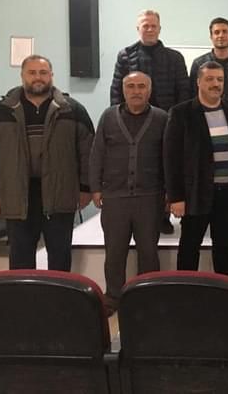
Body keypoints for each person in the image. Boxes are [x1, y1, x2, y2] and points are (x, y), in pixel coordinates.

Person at [0, 55, 94, 271]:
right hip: (17, 196)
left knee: (60, 257)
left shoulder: (73, 111)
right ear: (22, 76)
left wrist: (86, 188)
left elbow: (88, 154)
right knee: (20, 259)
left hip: (60, 195)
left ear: (51, 75)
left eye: (43, 72)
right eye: (32, 73)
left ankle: (58, 294)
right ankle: (24, 295)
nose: (38, 77)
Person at [89, 72, 166, 314]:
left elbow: (168, 158)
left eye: (141, 86)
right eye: (131, 86)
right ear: (123, 90)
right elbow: (97, 153)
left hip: (150, 197)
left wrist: (169, 193)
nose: (136, 91)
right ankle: (113, 296)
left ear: (149, 90)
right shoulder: (108, 117)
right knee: (114, 252)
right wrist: (95, 187)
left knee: (148, 251)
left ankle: (147, 296)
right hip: (115, 197)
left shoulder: (161, 118)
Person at [164, 61, 228, 276]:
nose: (215, 84)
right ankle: (187, 291)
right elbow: (171, 158)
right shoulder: (181, 112)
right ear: (198, 82)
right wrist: (176, 197)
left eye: (220, 79)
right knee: (189, 247)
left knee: (224, 249)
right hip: (196, 193)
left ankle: (226, 292)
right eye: (210, 79)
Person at [110, 9, 190, 235]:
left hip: (167, 123)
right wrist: (118, 119)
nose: (150, 29)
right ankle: (140, 216)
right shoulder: (125, 56)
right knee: (141, 168)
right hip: (134, 124)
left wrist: (178, 122)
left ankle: (164, 216)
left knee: (167, 169)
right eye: (145, 25)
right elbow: (117, 90)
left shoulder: (174, 58)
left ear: (159, 29)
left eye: (154, 25)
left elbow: (184, 91)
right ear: (138, 29)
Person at [189, 17, 228, 229]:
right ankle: (204, 211)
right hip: (202, 124)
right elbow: (191, 93)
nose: (221, 35)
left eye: (224, 31)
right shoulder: (199, 63)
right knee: (205, 166)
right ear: (211, 36)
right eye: (216, 32)